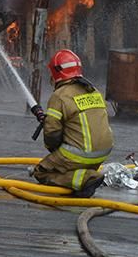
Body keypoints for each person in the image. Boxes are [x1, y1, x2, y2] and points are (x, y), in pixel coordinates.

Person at [29, 49, 114, 196]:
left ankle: (86, 179)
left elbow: (52, 134)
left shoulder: (60, 95)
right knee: (66, 161)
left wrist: (54, 151)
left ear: (56, 72)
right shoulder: (94, 91)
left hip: (80, 155)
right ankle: (85, 173)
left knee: (41, 171)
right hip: (102, 154)